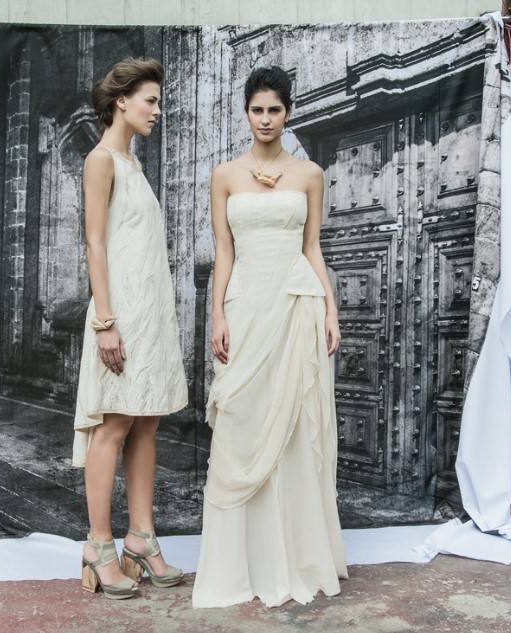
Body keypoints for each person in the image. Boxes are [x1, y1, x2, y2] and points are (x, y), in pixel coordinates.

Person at [192, 66, 348, 608]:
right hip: (246, 306)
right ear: (246, 113)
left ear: (288, 113)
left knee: (295, 426)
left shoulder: (309, 174)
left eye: (274, 110)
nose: (265, 119)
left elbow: (312, 247)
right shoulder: (224, 175)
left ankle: (296, 557)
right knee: (242, 421)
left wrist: (330, 309)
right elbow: (224, 251)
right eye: (257, 110)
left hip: (296, 304)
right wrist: (218, 314)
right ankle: (242, 565)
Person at [73, 58, 188, 600]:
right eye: (151, 100)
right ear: (122, 101)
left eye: (159, 102)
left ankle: (141, 538)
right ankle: (99, 545)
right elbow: (95, 243)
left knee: (147, 422)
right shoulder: (101, 160)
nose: (157, 111)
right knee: (114, 423)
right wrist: (105, 323)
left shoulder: (133, 164)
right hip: (118, 315)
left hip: (149, 314)